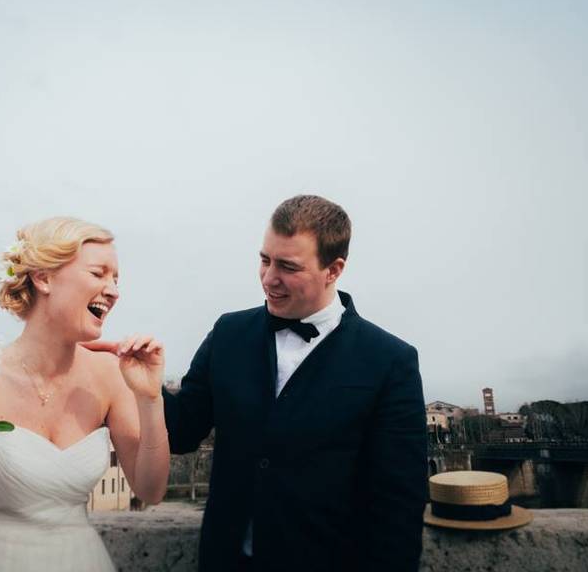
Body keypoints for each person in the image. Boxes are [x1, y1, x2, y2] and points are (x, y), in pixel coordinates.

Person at [163, 195, 427, 571]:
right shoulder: (228, 333)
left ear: (333, 270)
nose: (269, 278)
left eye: (288, 266)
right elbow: (182, 431)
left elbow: (398, 505)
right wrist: (138, 385)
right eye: (265, 259)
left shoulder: (390, 360)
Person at [0, 217, 170, 572]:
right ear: (43, 277)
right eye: (99, 274)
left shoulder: (110, 375)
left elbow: (151, 490)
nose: (113, 290)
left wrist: (150, 398)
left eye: (116, 279)